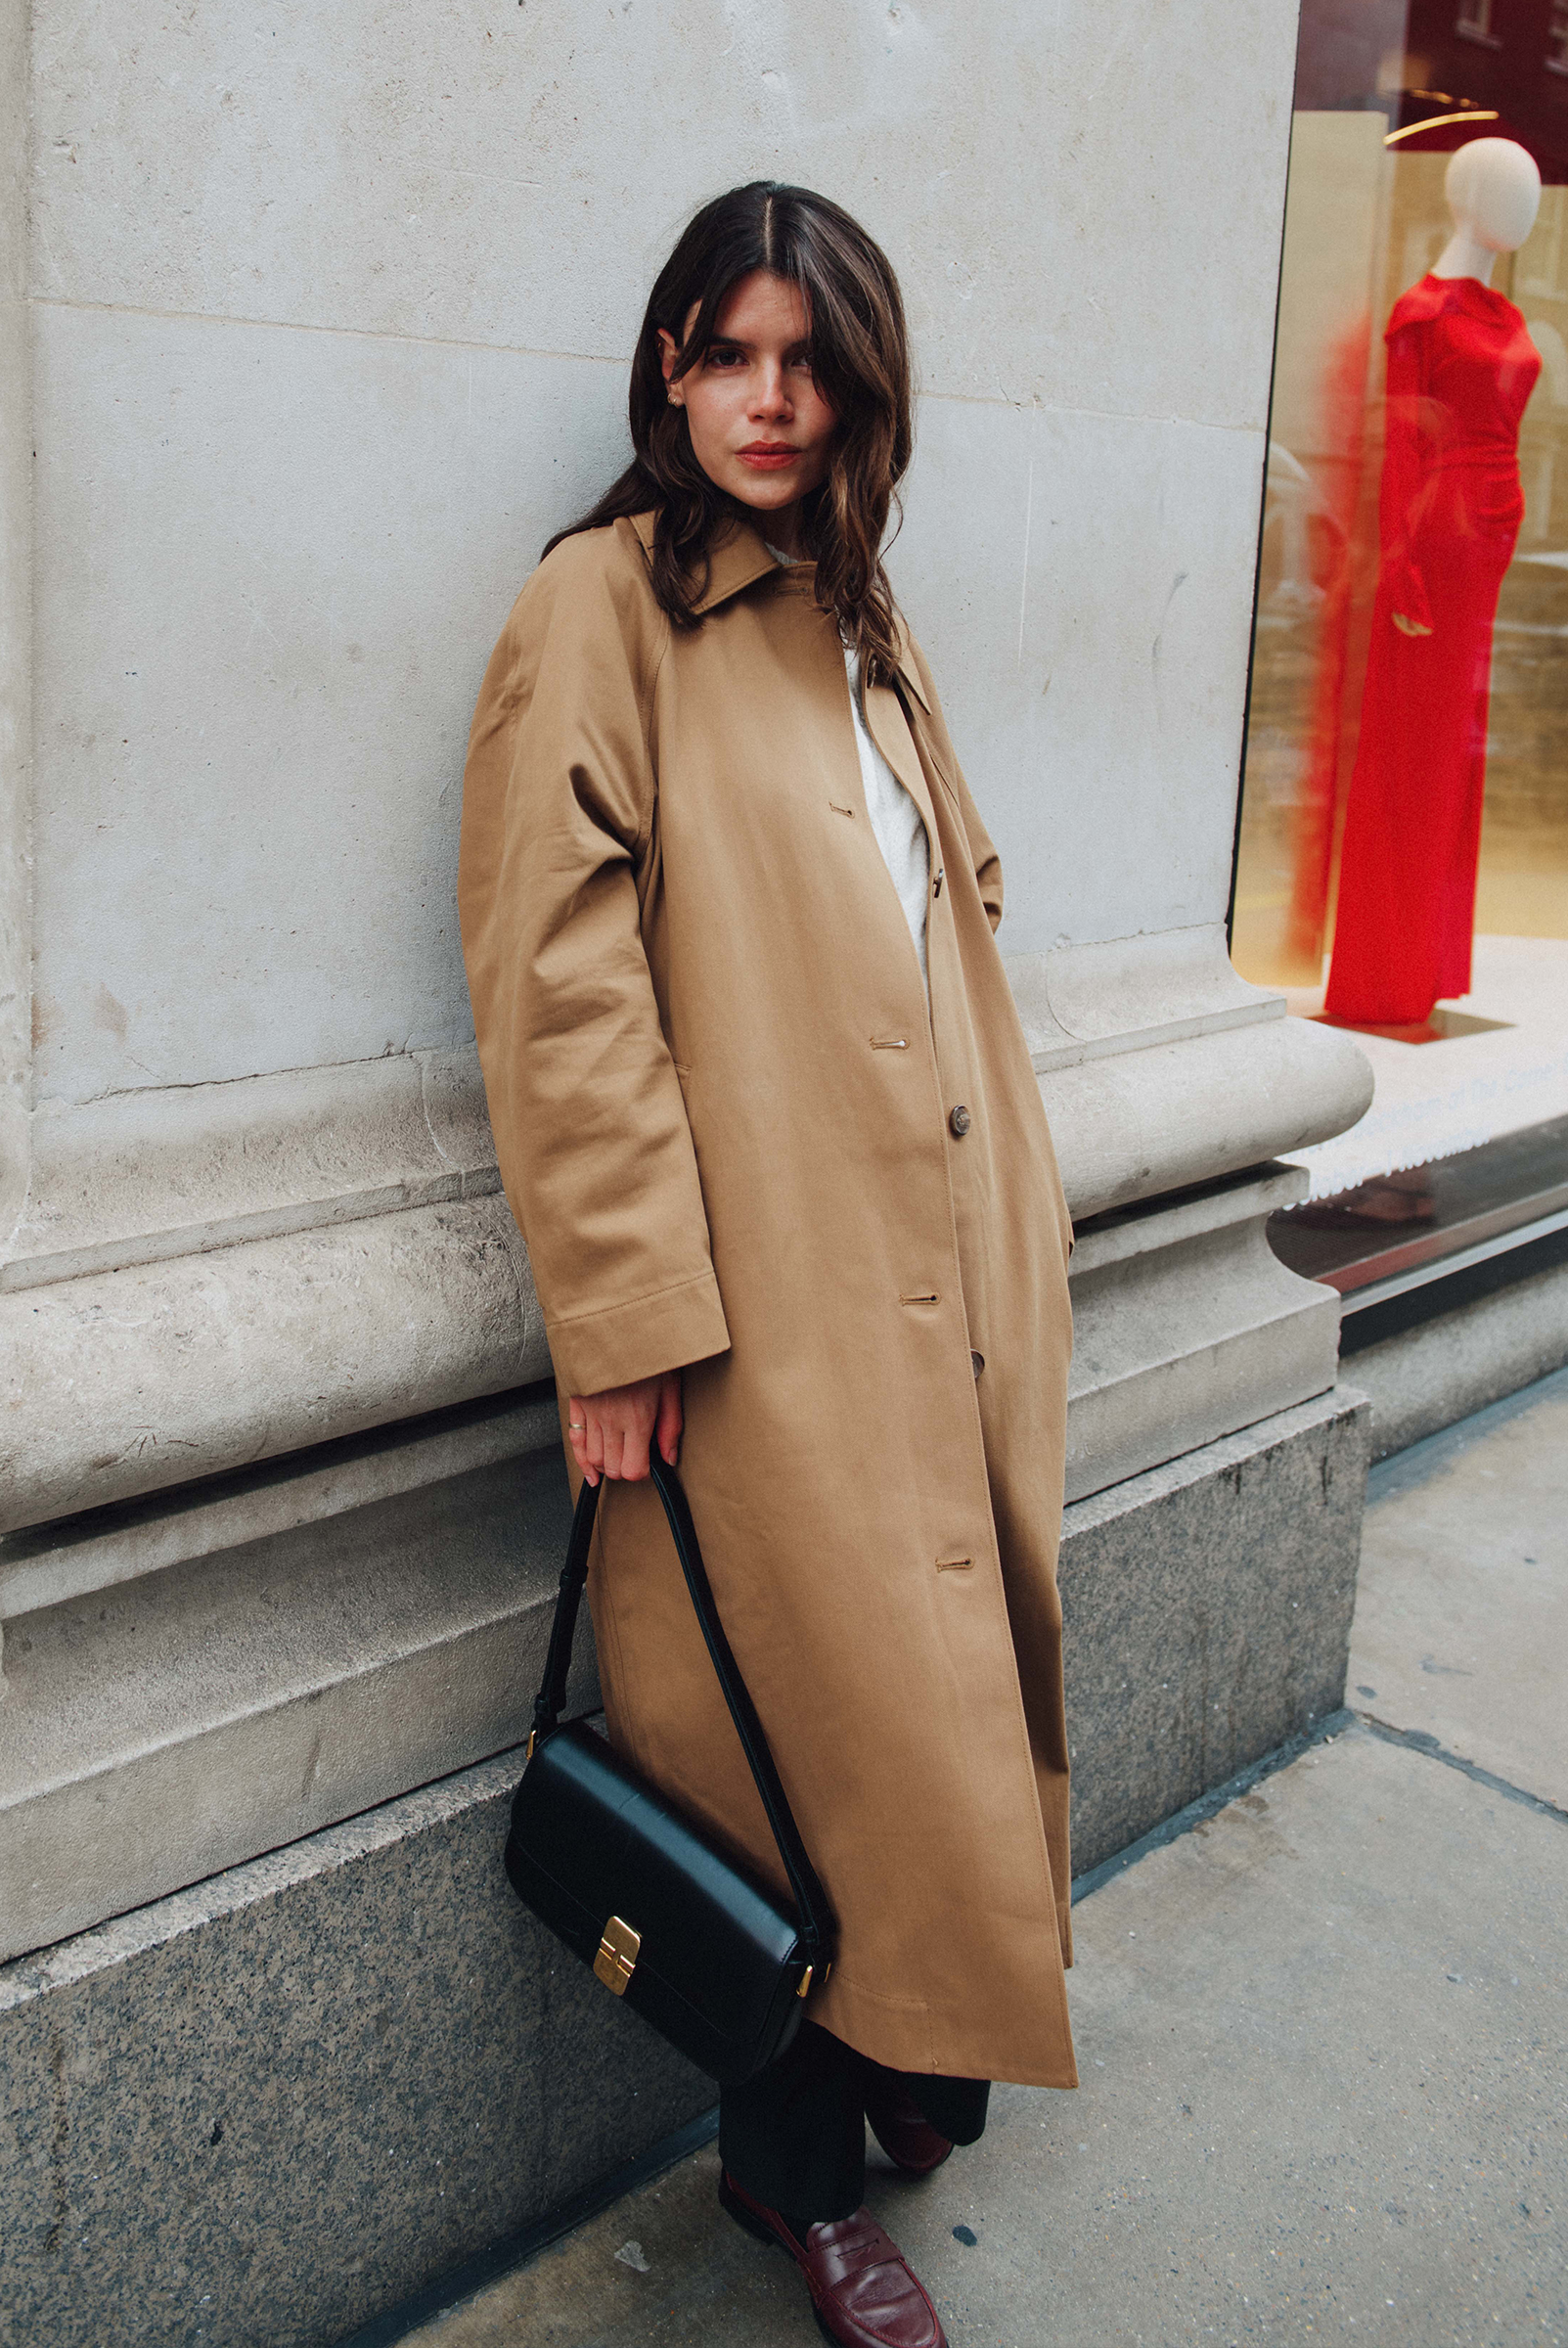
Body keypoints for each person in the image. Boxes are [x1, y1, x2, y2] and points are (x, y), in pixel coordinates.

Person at [459, 182, 1076, 2348]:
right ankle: (788, 2182)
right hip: (760, 1315)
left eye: (805, 361)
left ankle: (910, 2051)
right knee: (789, 1744)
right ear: (664, 367)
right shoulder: (603, 606)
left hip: (945, 1285)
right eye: (725, 351)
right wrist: (618, 1325)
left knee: (944, 1711)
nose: (765, 398)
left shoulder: (861, 615)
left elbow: (946, 916)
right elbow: (560, 989)